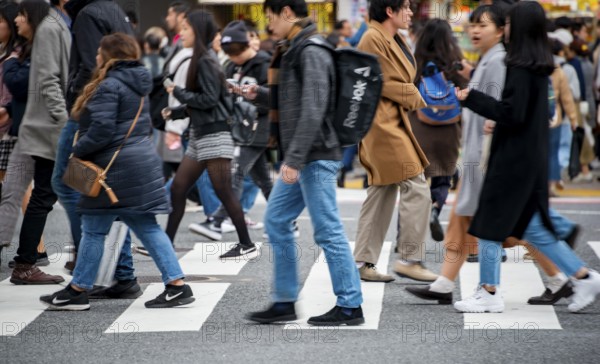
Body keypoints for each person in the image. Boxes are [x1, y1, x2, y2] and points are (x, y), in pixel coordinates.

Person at [454, 1, 600, 313]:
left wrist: (473, 99)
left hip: (512, 161)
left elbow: (512, 113)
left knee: (489, 224)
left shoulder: (519, 68)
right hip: (528, 158)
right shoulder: (539, 67)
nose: (504, 28)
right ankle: (584, 276)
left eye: (507, 24)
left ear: (517, 28)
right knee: (533, 230)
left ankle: (490, 291)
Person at [40, 33, 195, 311]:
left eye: (100, 52)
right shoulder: (136, 85)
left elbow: (101, 129)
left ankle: (79, 290)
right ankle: (175, 286)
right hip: (136, 164)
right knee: (131, 226)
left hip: (114, 169)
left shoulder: (109, 86)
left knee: (96, 229)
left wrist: (78, 150)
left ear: (111, 55)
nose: (97, 56)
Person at [245, 0, 364, 326]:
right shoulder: (295, 48)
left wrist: (294, 159)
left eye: (270, 17)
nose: (270, 25)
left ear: (286, 12)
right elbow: (293, 100)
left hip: (315, 155)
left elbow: (313, 107)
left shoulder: (310, 49)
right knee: (276, 220)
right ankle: (284, 301)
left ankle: (351, 305)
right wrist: (258, 94)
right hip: (303, 154)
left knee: (328, 230)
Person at [352, 0, 436, 283]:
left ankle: (365, 262)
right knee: (416, 185)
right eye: (407, 7)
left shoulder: (391, 37)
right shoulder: (372, 37)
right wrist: (412, 94)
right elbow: (373, 81)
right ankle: (410, 258)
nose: (411, 13)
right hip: (382, 126)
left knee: (382, 192)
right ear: (390, 10)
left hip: (391, 121)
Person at [164, 10, 256, 260]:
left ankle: (246, 244)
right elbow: (208, 102)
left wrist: (177, 92)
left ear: (198, 31)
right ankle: (166, 243)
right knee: (179, 188)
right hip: (200, 135)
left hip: (214, 137)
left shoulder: (205, 60)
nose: (180, 33)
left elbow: (208, 99)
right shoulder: (202, 58)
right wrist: (176, 113)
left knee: (224, 191)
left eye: (186, 28)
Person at [52, 0, 134, 272]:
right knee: (105, 190)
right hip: (115, 107)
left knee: (69, 182)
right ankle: (119, 271)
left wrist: (76, 104)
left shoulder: (87, 15)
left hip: (88, 111)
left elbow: (90, 68)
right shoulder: (113, 9)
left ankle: (91, 263)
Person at [190, 20, 273, 241]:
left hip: (259, 126)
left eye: (237, 52)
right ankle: (285, 220)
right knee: (263, 178)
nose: (235, 58)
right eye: (231, 54)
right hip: (239, 127)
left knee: (236, 172)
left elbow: (275, 97)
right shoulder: (230, 66)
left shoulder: (264, 63)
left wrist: (252, 93)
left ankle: (216, 221)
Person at [9, 0, 70, 285]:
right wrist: (64, 119)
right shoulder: (51, 27)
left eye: (21, 14)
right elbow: (48, 81)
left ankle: (26, 263)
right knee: (42, 195)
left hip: (42, 127)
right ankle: (25, 264)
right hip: (46, 128)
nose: (17, 20)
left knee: (40, 194)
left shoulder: (52, 26)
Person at [408, 18, 468, 243]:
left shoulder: (416, 63)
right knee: (443, 179)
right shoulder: (455, 64)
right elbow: (467, 92)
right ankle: (434, 207)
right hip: (449, 131)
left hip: (420, 129)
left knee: (413, 185)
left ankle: (404, 237)